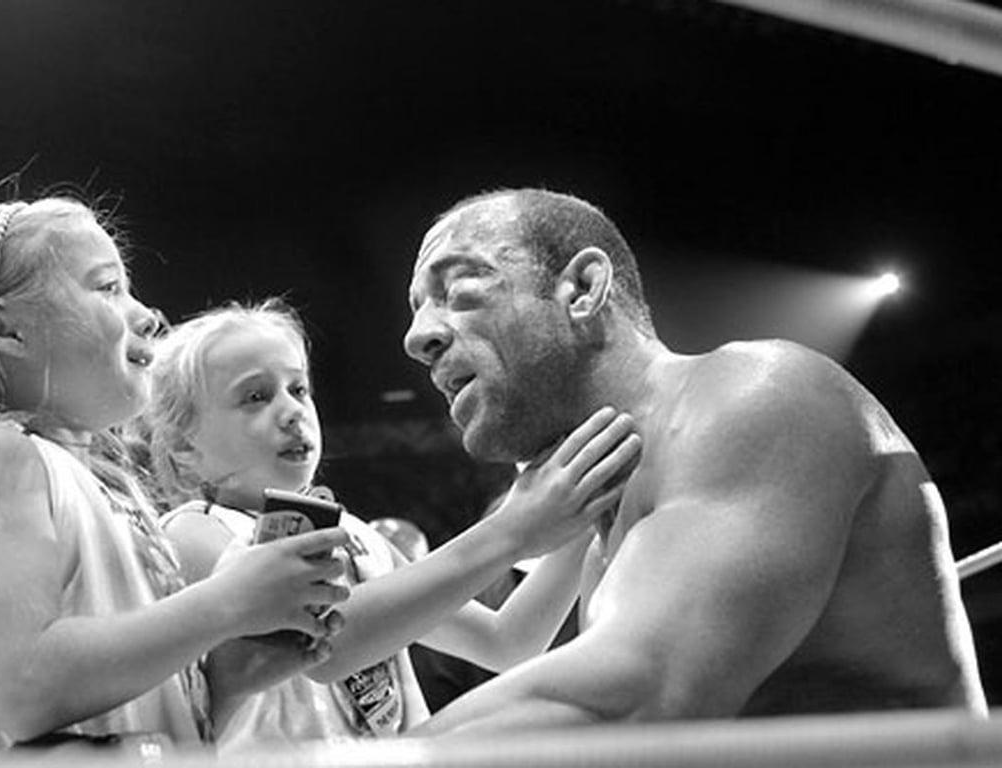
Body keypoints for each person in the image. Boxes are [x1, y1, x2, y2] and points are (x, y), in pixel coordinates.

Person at [402, 188, 988, 733]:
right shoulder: (606, 533)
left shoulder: (759, 395)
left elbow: (636, 694)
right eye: (416, 308)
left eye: (456, 290)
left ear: (581, 289)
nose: (416, 336)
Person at [0, 198, 352, 756]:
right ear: (4, 330)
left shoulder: (79, 480)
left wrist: (228, 677)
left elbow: (126, 714)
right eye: (108, 287)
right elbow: (26, 688)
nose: (148, 316)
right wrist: (226, 602)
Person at [142, 298, 641, 752]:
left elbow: (507, 641)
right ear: (185, 449)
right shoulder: (196, 533)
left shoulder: (363, 538)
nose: (292, 411)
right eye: (255, 397)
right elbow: (328, 644)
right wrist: (515, 527)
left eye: (299, 388)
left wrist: (584, 501)